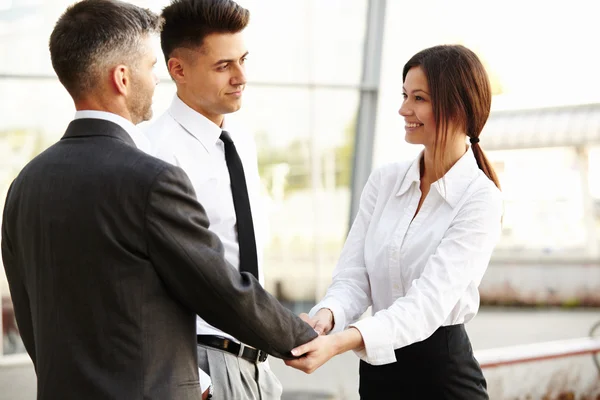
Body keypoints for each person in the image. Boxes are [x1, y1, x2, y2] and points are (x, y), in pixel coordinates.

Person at [0, 1, 317, 399]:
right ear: (122, 78)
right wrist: (303, 338)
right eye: (151, 68)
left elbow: (31, 316)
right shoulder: (151, 174)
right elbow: (214, 284)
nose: (155, 80)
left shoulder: (25, 184)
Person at [286, 44, 503, 399]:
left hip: (442, 377)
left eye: (418, 98)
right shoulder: (385, 182)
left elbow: (426, 304)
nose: (404, 109)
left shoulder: (480, 198)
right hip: (377, 375)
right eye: (405, 95)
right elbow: (353, 277)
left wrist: (342, 342)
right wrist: (327, 316)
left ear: (458, 107)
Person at [144, 0, 284, 398]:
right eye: (224, 66)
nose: (241, 77)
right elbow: (142, 285)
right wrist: (199, 385)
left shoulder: (241, 139)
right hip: (200, 366)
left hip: (256, 366)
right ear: (178, 70)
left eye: (243, 60)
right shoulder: (151, 153)